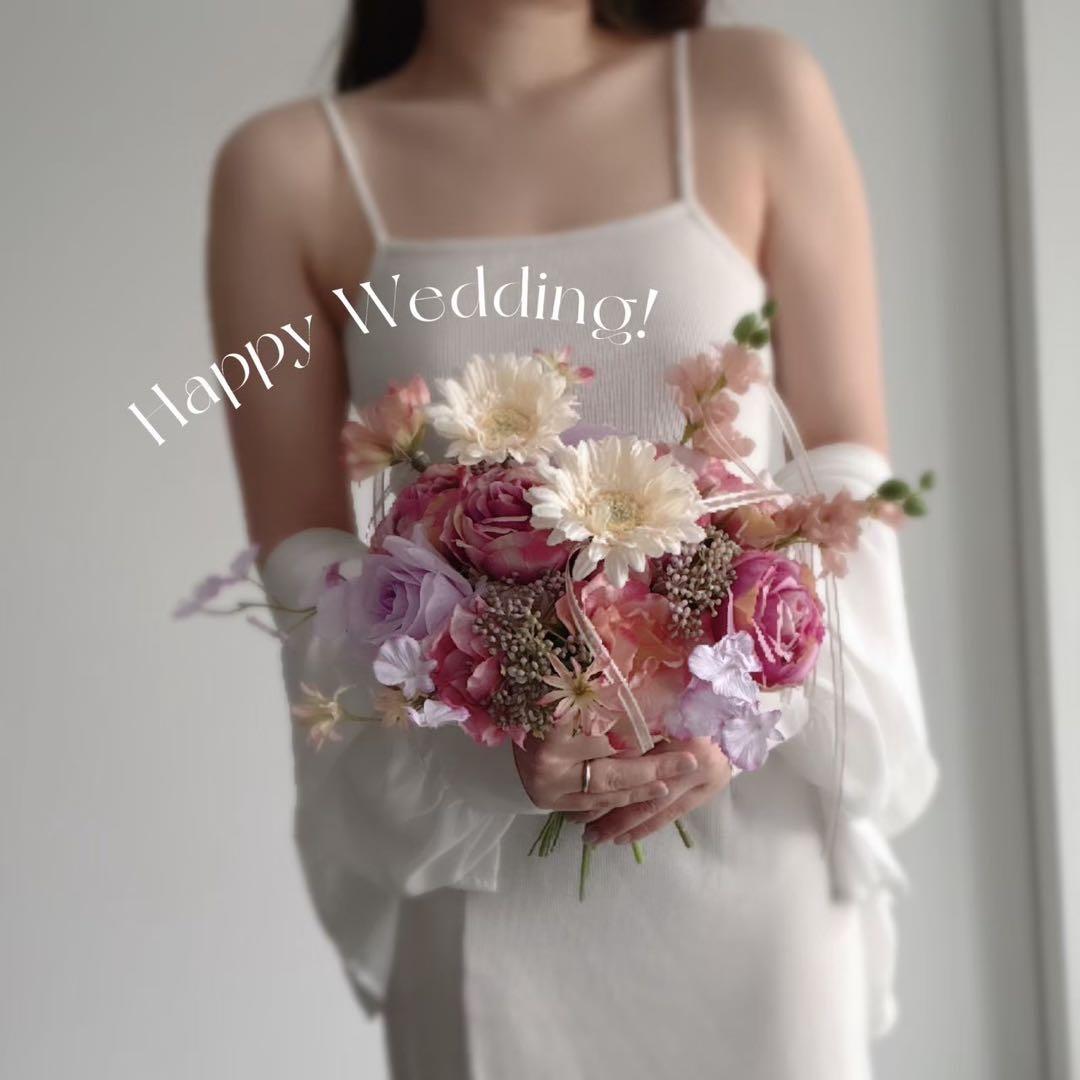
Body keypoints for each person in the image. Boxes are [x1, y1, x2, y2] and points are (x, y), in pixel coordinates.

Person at [208, 3, 937, 1077]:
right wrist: (485, 760)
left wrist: (744, 709)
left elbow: (844, 473)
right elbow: (304, 566)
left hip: (753, 861)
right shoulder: (287, 170)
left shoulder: (752, 91)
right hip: (482, 878)